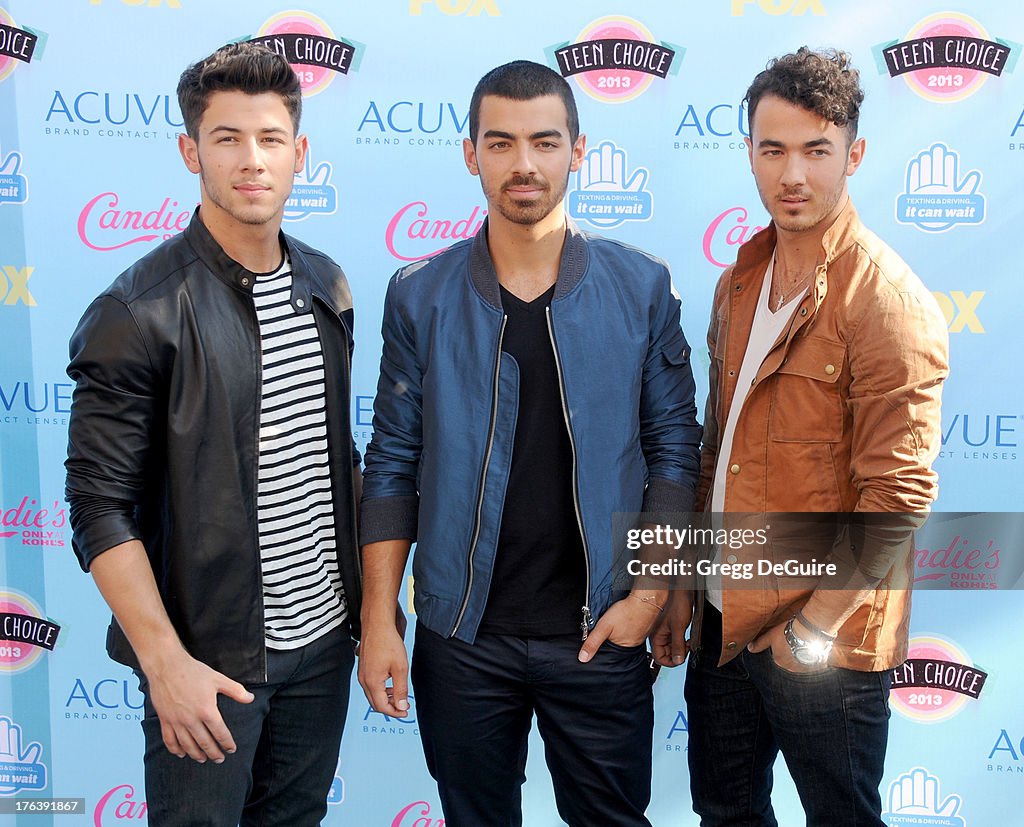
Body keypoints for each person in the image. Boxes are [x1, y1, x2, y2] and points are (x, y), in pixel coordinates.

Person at [358, 60, 701, 826]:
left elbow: (676, 448)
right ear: (471, 153)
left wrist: (650, 594)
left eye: (545, 142)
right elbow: (390, 462)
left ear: (579, 151)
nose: (524, 164)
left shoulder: (641, 286)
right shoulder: (419, 295)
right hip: (461, 633)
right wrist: (380, 621)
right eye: (502, 142)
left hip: (601, 628)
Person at [65, 42, 361, 826]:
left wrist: (366, 621)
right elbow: (99, 509)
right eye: (227, 138)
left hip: (324, 648)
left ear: (298, 153)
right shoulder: (136, 312)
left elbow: (334, 464)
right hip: (208, 666)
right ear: (190, 150)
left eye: (269, 139)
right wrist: (167, 665)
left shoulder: (327, 284)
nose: (251, 160)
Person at [652, 47, 949, 826]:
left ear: (854, 155)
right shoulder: (739, 280)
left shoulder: (887, 302)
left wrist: (813, 628)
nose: (794, 174)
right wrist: (684, 584)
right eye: (774, 149)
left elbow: (899, 493)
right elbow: (718, 446)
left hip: (826, 638)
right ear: (748, 151)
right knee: (726, 812)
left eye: (817, 150)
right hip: (724, 618)